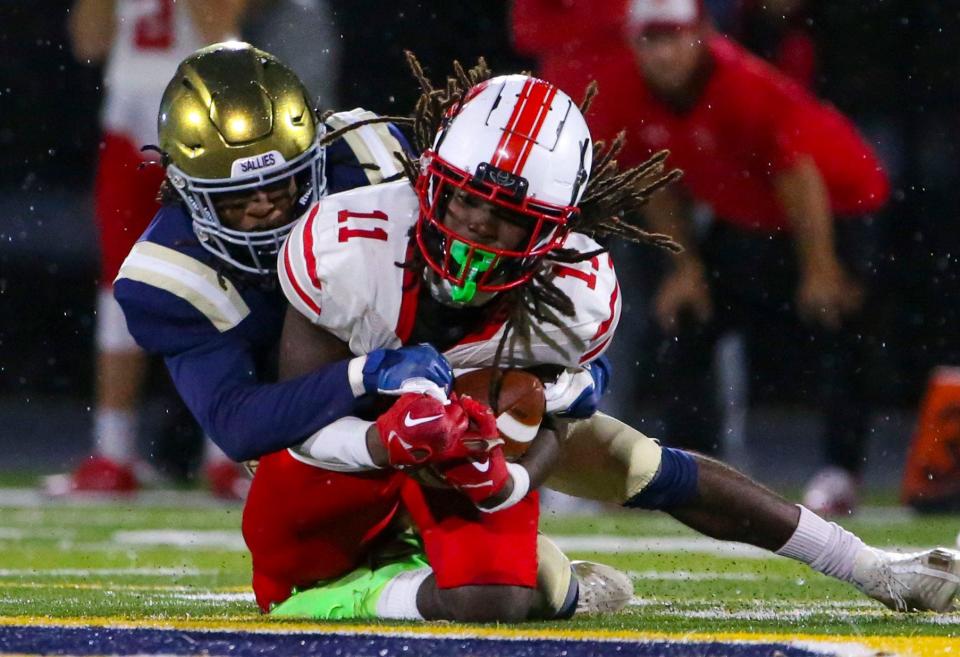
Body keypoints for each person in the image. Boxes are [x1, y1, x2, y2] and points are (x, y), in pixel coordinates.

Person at [257, 57, 960, 623]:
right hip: (350, 451)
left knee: (615, 486)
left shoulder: (576, 291)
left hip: (472, 447)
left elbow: (554, 437)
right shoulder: (349, 245)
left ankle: (873, 567)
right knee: (290, 579)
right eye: (463, 196)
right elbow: (295, 419)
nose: (473, 227)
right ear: (429, 178)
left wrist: (510, 478)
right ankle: (541, 585)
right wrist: (388, 440)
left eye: (506, 218)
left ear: (553, 234)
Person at [110, 43, 632, 618]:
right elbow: (238, 420)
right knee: (492, 583)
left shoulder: (367, 151)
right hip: (314, 430)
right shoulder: (166, 274)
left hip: (449, 376)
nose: (266, 211)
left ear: (315, 156)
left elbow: (476, 230)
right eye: (236, 199)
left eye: (282, 186)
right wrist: (367, 375)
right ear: (185, 191)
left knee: (624, 459)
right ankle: (436, 569)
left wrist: (555, 361)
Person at [513, 0, 891, 516]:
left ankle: (840, 470)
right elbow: (655, 178)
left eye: (674, 37)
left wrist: (820, 267)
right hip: (751, 212)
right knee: (689, 320)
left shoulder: (743, 83)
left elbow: (797, 175)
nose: (664, 54)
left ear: (702, 34)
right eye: (651, 40)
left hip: (837, 202)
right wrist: (686, 268)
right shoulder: (624, 87)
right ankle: (692, 467)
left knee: (840, 322)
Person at [59, 0, 247, 496]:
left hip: (204, 127)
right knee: (118, 284)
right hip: (128, 125)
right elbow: (88, 42)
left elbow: (219, 30)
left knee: (223, 278)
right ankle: (113, 452)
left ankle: (226, 453)